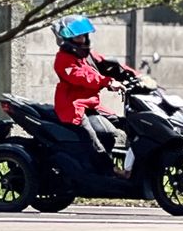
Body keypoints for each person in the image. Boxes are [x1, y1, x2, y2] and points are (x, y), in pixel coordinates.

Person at [51, 14, 131, 178]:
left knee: (120, 126)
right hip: (73, 107)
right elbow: (81, 77)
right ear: (67, 39)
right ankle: (108, 172)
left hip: (92, 105)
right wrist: (108, 82)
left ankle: (127, 167)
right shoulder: (63, 60)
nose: (82, 39)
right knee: (91, 139)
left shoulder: (87, 56)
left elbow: (111, 66)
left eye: (83, 35)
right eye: (78, 36)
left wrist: (137, 77)